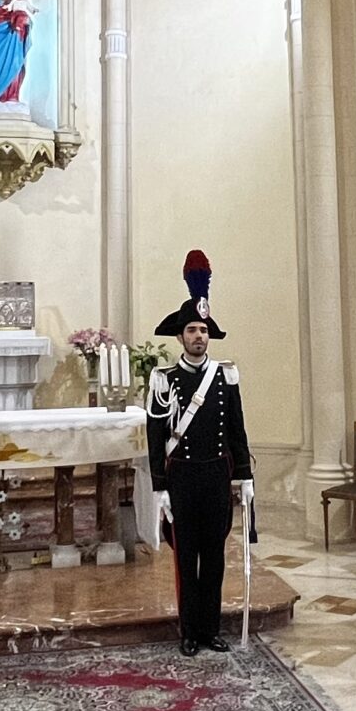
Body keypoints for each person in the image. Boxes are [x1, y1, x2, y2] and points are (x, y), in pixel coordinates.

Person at [146, 252, 253, 655]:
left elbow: (237, 429)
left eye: (204, 330)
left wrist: (244, 477)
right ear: (180, 337)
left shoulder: (226, 377)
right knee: (185, 559)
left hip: (216, 478)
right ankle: (189, 631)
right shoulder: (163, 379)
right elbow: (155, 437)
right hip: (183, 479)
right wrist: (160, 487)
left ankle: (210, 629)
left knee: (214, 559)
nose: (199, 336)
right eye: (192, 330)